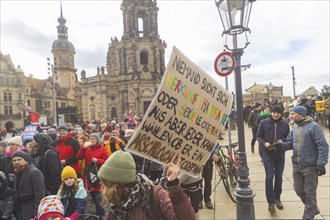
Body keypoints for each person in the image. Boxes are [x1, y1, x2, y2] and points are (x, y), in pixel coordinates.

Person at [98, 151, 195, 220]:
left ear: (118, 184)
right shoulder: (115, 203)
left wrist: (174, 185)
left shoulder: (154, 194)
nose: (103, 188)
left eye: (106, 184)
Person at [282, 106, 329, 220]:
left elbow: (323, 146)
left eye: (293, 114)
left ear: (301, 114)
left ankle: (308, 216)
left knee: (310, 193)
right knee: (298, 189)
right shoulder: (295, 127)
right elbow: (290, 142)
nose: (291, 116)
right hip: (297, 165)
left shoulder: (314, 127)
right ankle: (313, 209)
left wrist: (321, 163)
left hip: (310, 166)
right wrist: (281, 145)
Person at [256, 105, 290, 213]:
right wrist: (264, 143)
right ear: (271, 112)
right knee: (270, 176)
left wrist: (281, 141)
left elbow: (288, 137)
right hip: (268, 152)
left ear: (281, 114)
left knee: (279, 176)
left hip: (280, 152)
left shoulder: (285, 123)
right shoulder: (264, 122)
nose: (275, 115)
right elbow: (258, 136)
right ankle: (270, 202)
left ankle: (277, 198)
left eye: (278, 113)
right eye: (274, 112)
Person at [76, 133, 109, 218]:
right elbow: (78, 157)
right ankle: (86, 216)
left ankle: (100, 216)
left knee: (98, 200)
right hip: (87, 177)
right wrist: (83, 148)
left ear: (97, 140)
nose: (92, 140)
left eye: (94, 139)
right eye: (91, 139)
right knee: (85, 200)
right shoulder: (87, 148)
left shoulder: (102, 149)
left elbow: (107, 161)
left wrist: (97, 160)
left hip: (97, 177)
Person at [12, 151, 46, 220]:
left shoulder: (34, 172)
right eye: (14, 160)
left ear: (25, 160)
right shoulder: (17, 172)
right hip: (20, 208)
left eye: (19, 159)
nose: (16, 162)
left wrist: (36, 211)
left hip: (30, 209)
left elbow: (40, 193)